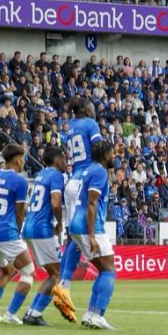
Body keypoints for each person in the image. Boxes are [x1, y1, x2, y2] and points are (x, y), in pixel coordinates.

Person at [21, 147, 76, 325]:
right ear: (57, 159)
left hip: (29, 226)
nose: (66, 162)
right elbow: (55, 202)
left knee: (53, 274)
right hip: (41, 228)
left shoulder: (40, 175)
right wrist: (60, 222)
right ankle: (34, 313)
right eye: (64, 158)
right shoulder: (56, 176)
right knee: (58, 273)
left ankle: (32, 311)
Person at [0, 144, 35, 324]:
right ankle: (11, 314)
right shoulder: (20, 182)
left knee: (8, 270)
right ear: (18, 159)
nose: (24, 161)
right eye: (23, 157)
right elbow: (20, 213)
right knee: (29, 273)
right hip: (6, 233)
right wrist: (18, 233)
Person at [58, 98, 103, 311]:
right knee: (78, 235)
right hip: (83, 180)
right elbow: (99, 149)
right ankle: (63, 285)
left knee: (72, 237)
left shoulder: (71, 127)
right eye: (93, 107)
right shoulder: (90, 124)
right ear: (86, 109)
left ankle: (63, 284)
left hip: (72, 180)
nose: (95, 111)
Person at [68, 141, 117, 329]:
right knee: (109, 271)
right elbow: (92, 203)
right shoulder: (100, 172)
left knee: (104, 270)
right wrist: (91, 236)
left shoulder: (88, 170)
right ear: (105, 155)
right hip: (90, 227)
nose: (114, 156)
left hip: (76, 223)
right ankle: (97, 315)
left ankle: (90, 314)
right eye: (112, 153)